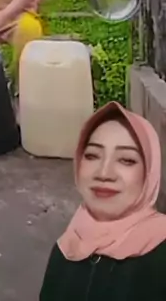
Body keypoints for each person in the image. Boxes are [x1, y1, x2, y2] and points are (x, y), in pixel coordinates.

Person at [40, 101, 166, 300]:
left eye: (126, 160)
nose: (104, 173)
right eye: (92, 156)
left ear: (149, 172)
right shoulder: (68, 246)